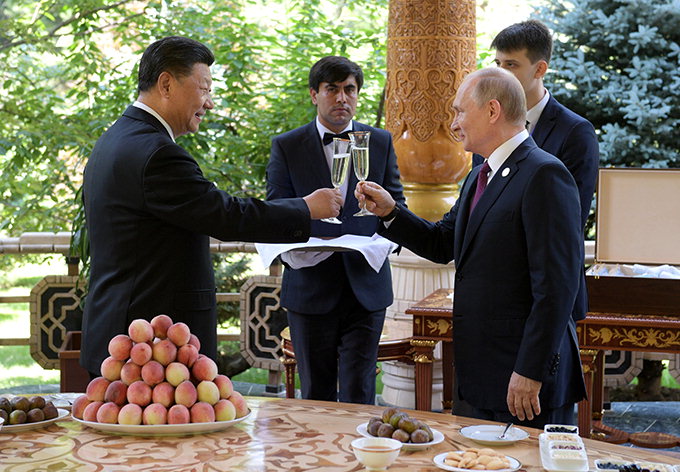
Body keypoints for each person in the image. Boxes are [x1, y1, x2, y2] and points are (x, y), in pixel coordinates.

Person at [81, 36, 342, 378]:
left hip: (121, 334)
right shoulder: (157, 153)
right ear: (166, 84)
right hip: (150, 347)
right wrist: (305, 208)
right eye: (204, 89)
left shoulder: (114, 139)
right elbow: (225, 214)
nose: (210, 103)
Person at [357, 67, 586, 427]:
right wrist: (390, 212)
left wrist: (530, 370)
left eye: (460, 111)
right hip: (480, 377)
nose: (454, 122)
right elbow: (442, 242)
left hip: (523, 382)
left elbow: (557, 288)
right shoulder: (480, 174)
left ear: (492, 111)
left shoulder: (544, 174)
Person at [266, 56, 405, 404]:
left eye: (349, 89)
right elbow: (275, 211)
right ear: (315, 94)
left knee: (360, 393)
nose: (342, 98)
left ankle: (363, 459)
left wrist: (386, 237)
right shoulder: (287, 145)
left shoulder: (381, 141)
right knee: (316, 395)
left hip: (366, 287)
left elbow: (397, 208)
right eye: (332, 89)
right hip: (310, 288)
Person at [474, 19, 599, 323]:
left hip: (547, 300)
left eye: (512, 65)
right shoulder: (486, 125)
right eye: (497, 63)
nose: (500, 74)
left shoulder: (576, 133)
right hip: (491, 295)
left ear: (540, 69)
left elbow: (569, 223)